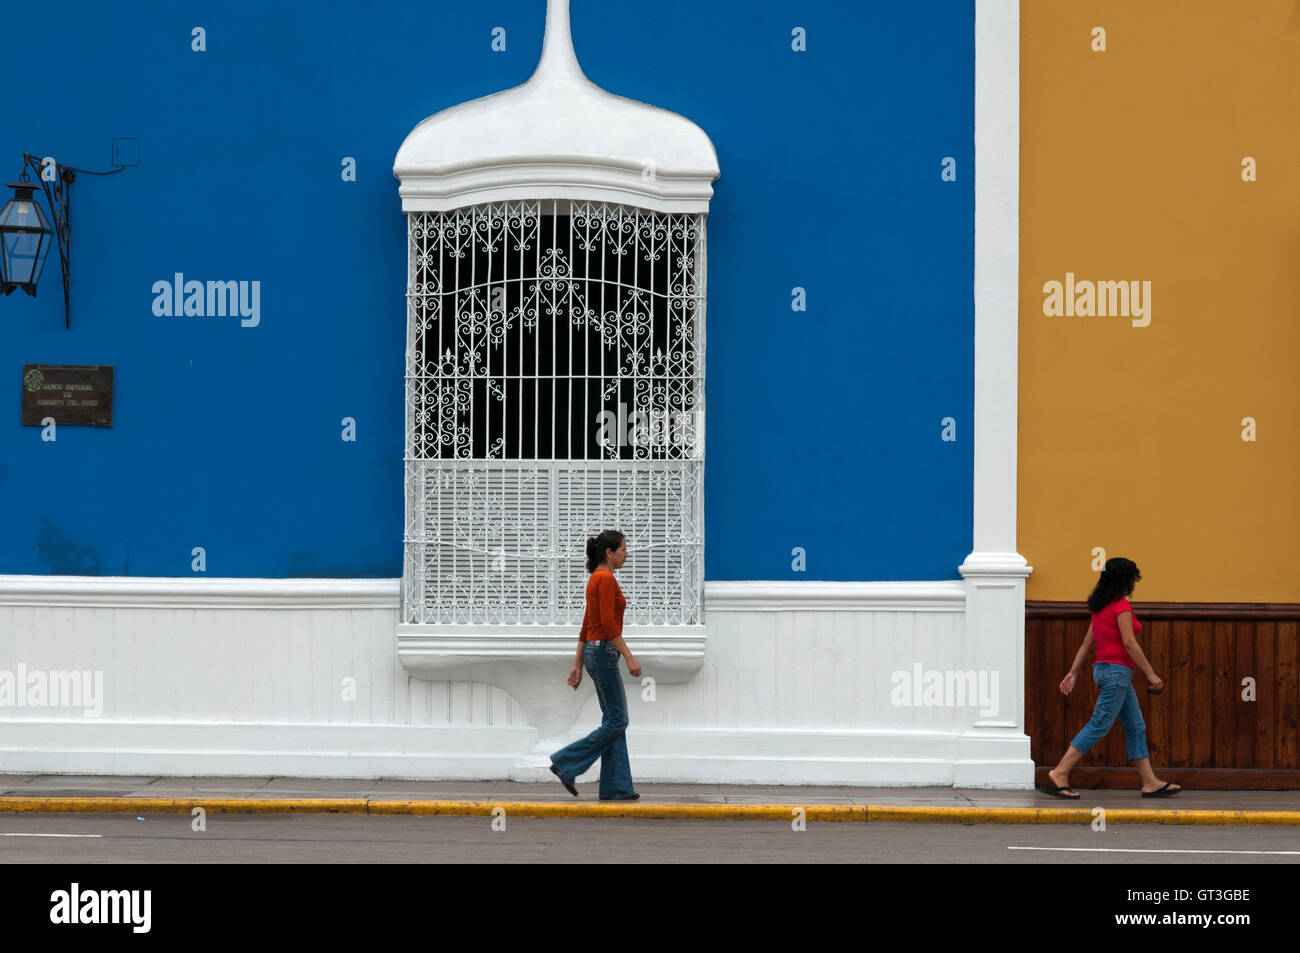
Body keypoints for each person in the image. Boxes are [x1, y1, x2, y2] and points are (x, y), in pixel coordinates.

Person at [1040, 557, 1182, 799]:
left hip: (1106, 672)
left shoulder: (1100, 606)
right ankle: (1061, 772)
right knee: (1099, 724)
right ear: (1126, 581)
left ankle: (1149, 782)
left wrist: (1073, 672)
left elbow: (1087, 643)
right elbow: (1129, 643)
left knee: (1136, 727)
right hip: (1116, 673)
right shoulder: (1121, 606)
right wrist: (1151, 674)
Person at [549, 530, 643, 801]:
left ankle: (616, 786)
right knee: (618, 719)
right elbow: (606, 624)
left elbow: (586, 626)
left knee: (613, 720)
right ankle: (566, 763)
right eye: (623, 549)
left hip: (594, 651)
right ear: (609, 553)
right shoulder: (605, 580)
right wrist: (628, 656)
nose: (628, 554)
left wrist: (577, 664)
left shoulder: (596, 579)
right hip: (603, 652)